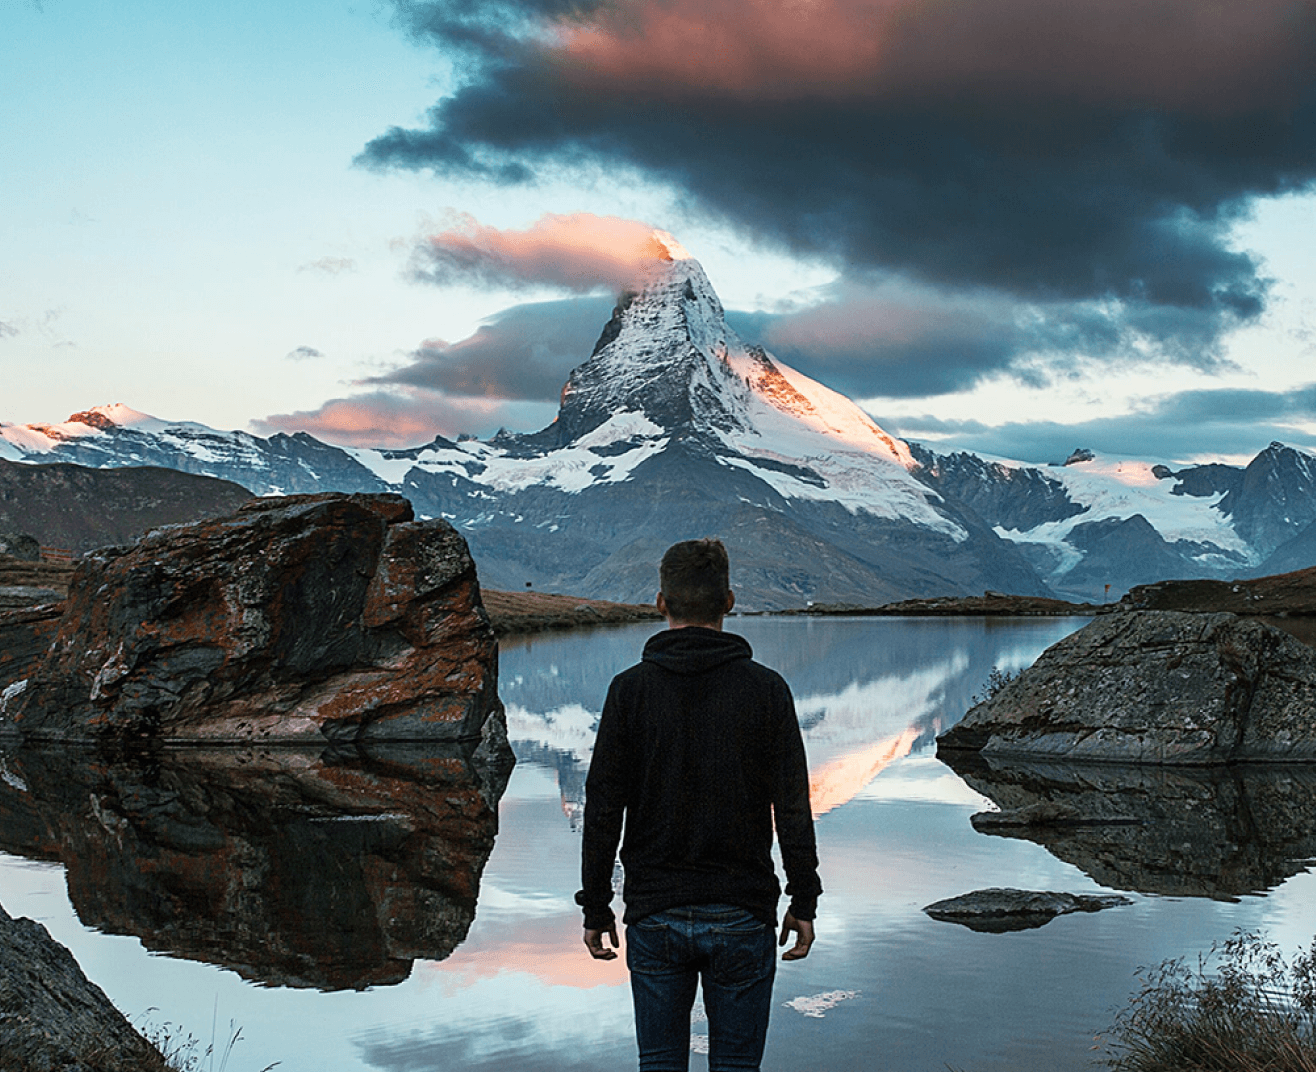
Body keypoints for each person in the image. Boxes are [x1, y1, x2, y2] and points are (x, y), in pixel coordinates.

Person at [576, 538, 822, 1072]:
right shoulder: (767, 690)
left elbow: (602, 809)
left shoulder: (629, 691)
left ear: (661, 602)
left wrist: (596, 906)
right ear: (728, 601)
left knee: (660, 1063)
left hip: (655, 912)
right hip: (742, 910)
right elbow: (793, 808)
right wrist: (804, 899)